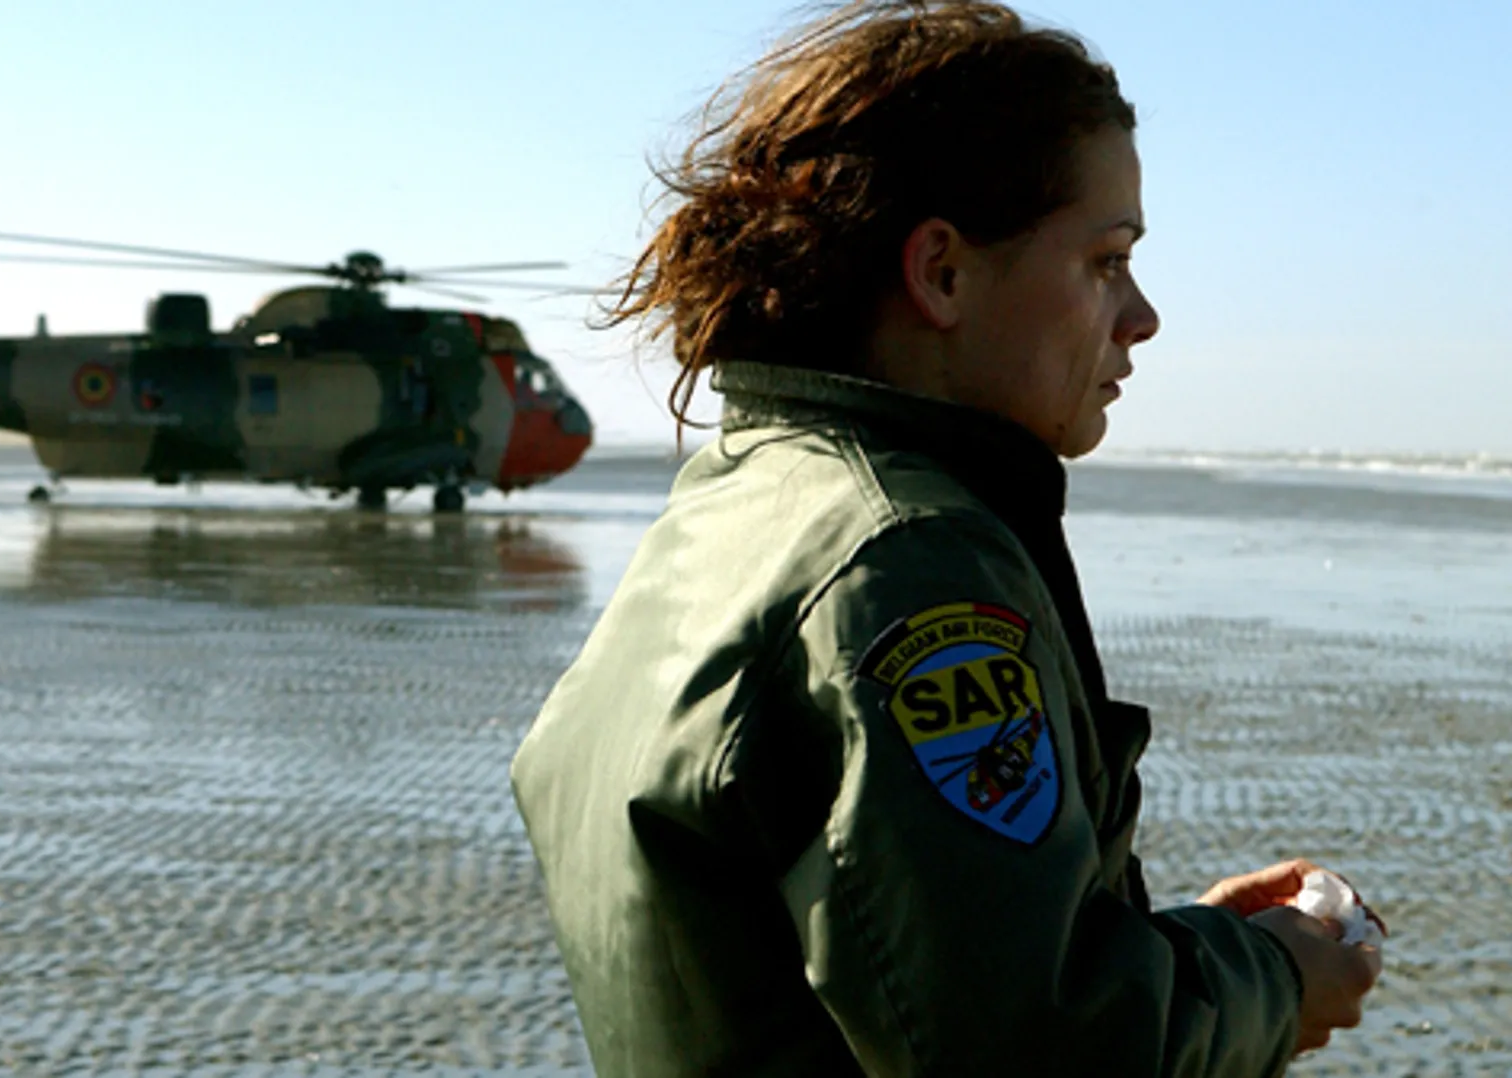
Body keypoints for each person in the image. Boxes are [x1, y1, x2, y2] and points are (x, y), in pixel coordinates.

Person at [507, 2, 1382, 1074]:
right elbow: (1041, 1054)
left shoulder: (739, 500)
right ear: (943, 274)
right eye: (1106, 261)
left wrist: (1186, 951)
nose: (1142, 316)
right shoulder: (910, 566)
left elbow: (918, 973)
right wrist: (1277, 976)